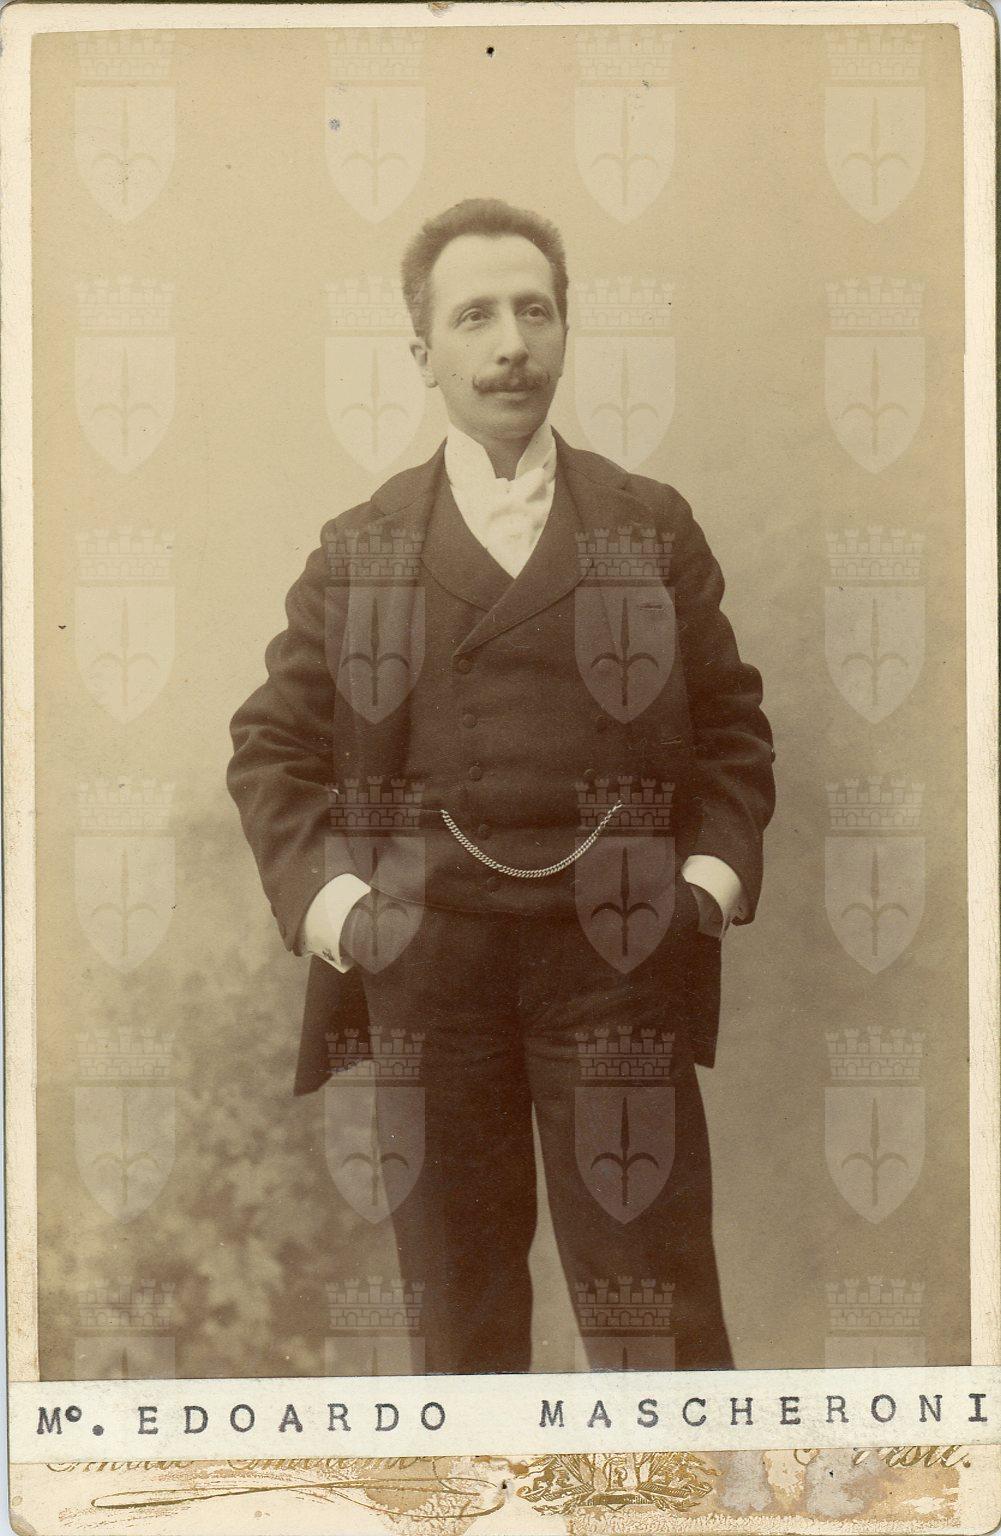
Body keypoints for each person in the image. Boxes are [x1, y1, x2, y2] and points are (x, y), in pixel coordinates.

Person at [227, 198, 775, 1374]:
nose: (510, 344)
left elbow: (731, 727)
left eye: (534, 312)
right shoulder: (362, 546)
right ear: (423, 353)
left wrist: (703, 888)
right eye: (474, 317)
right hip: (428, 973)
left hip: (614, 962)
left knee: (655, 1315)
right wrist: (343, 915)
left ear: (565, 332)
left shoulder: (647, 526)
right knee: (458, 1318)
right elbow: (270, 747)